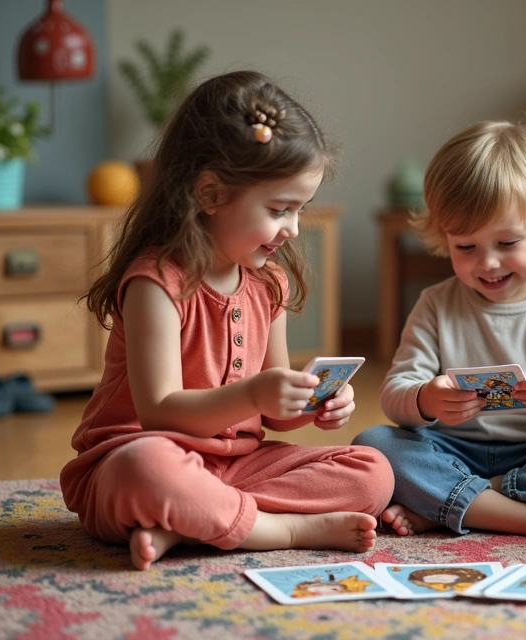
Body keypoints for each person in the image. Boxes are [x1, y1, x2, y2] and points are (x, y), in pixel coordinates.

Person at [60, 71, 393, 571]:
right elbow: (159, 413)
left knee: (372, 472)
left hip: (234, 467)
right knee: (146, 469)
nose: (293, 229)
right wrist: (255, 395)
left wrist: (313, 404)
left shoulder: (267, 282)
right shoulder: (156, 282)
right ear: (211, 194)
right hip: (135, 459)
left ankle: (190, 523)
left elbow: (277, 417)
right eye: (280, 209)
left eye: (300, 210)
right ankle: (281, 529)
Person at [353, 121, 526, 541]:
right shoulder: (435, 303)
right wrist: (426, 399)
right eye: (466, 247)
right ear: (445, 238)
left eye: (508, 243)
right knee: (373, 444)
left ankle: (455, 505)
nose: (488, 263)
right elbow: (395, 393)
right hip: (450, 449)